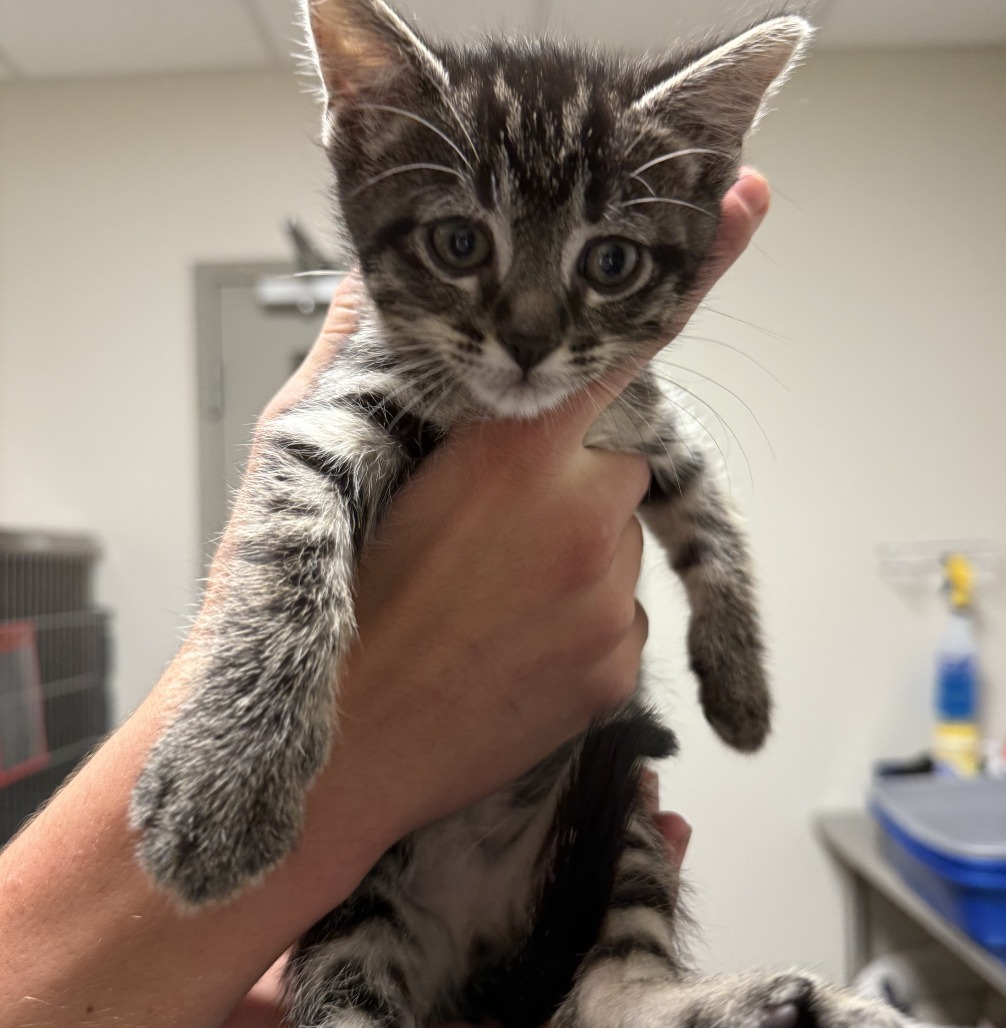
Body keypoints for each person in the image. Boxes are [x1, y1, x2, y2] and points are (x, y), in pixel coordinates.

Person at [0, 170, 771, 1028]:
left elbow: (689, 481)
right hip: (387, 863)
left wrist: (727, 633)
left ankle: (631, 994)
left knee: (626, 861)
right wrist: (268, 717)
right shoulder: (396, 366)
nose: (527, 327)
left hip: (550, 816)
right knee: (351, 963)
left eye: (610, 259)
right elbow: (308, 471)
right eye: (463, 245)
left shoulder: (626, 394)